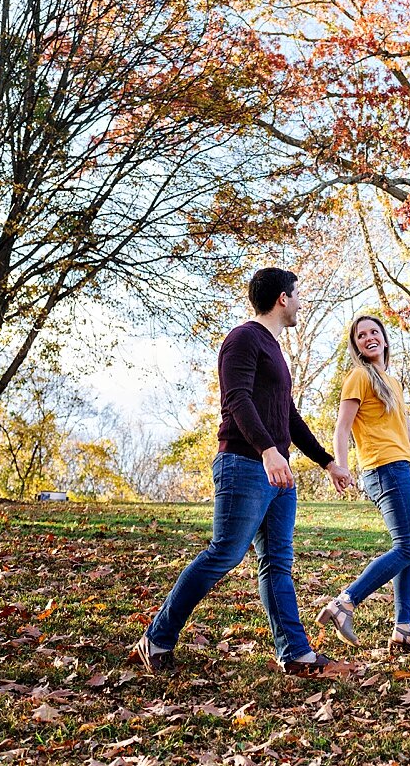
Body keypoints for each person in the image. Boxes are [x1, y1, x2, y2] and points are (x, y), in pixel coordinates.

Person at [133, 268, 355, 678]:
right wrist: (268, 451)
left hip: (276, 472)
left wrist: (327, 462)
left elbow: (287, 415)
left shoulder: (274, 350)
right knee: (225, 553)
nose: (301, 303)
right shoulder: (243, 338)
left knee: (276, 563)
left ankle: (295, 654)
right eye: (298, 294)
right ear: (282, 299)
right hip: (245, 463)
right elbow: (236, 399)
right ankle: (158, 637)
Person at [318, 314, 410, 653]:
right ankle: (344, 603)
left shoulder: (390, 382)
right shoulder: (359, 377)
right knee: (407, 547)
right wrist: (339, 467)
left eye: (375, 332)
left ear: (385, 340)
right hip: (383, 469)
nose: (369, 337)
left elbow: (404, 432)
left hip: (398, 466)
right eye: (361, 335)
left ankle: (404, 627)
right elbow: (342, 427)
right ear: (356, 345)